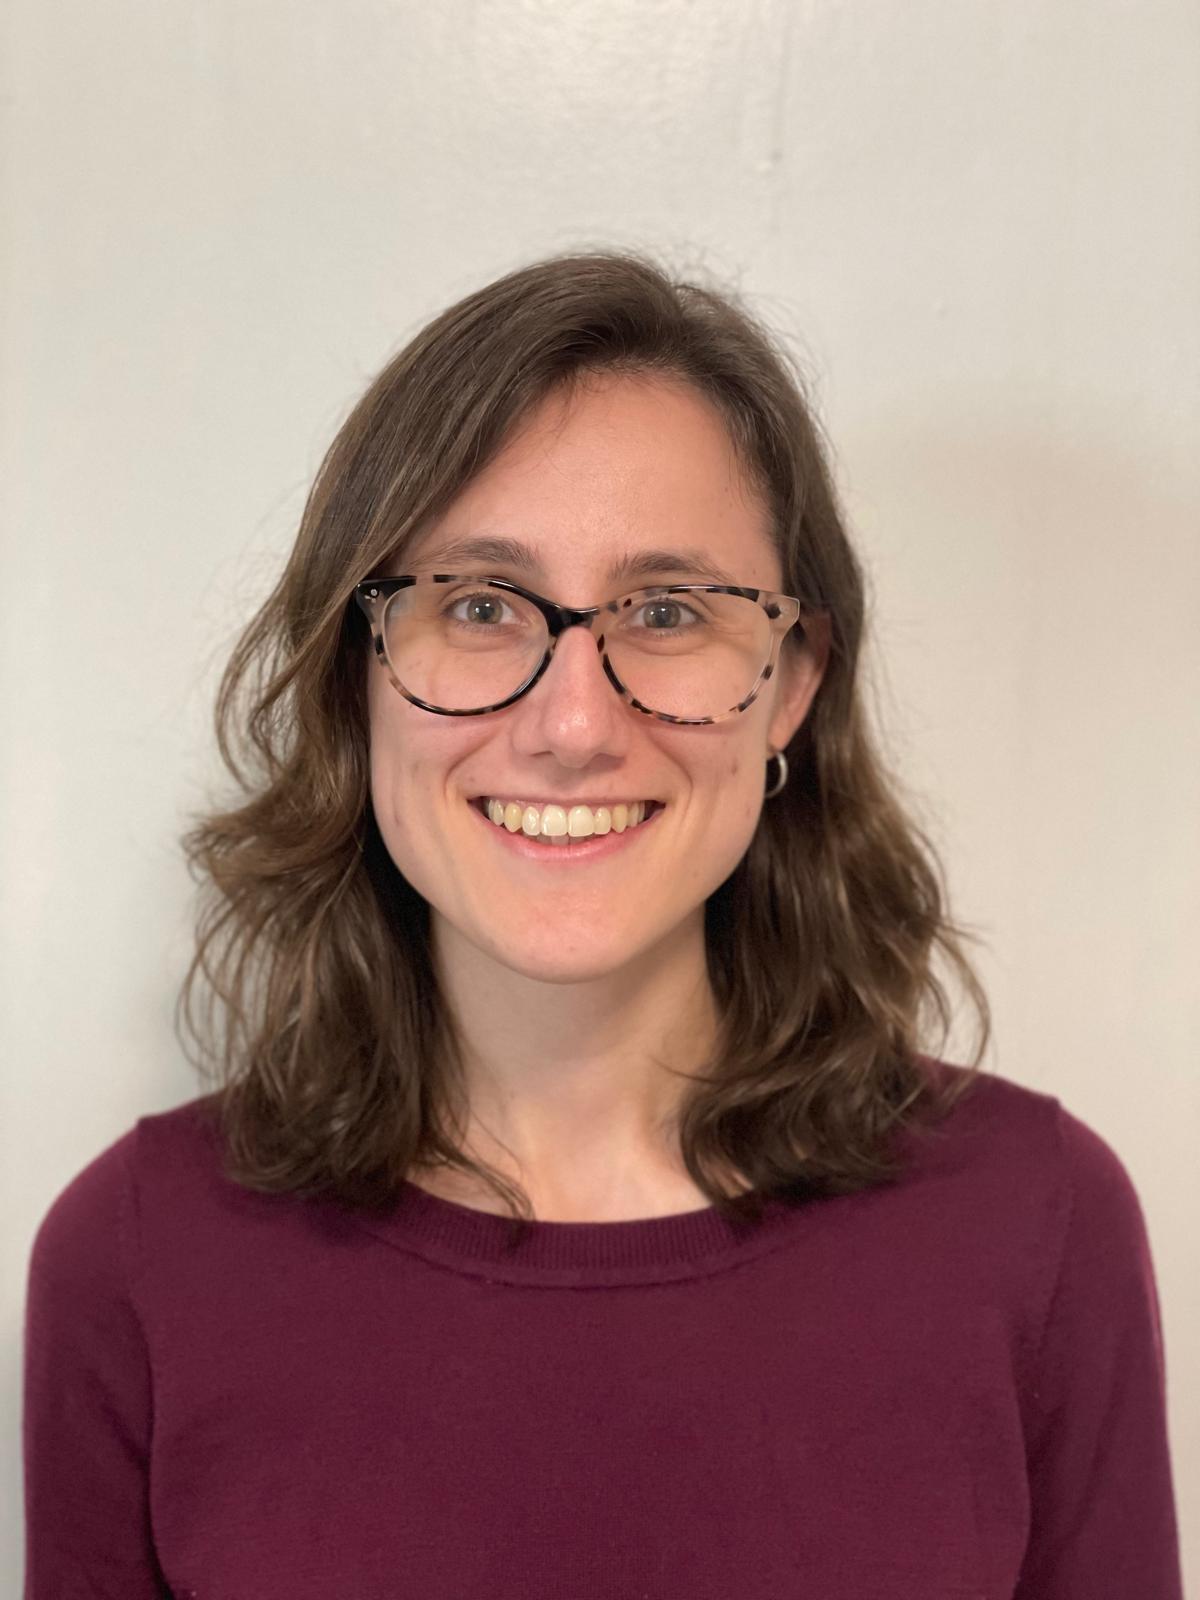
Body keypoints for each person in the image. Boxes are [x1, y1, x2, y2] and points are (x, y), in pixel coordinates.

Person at [22, 251, 1183, 1598]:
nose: (573, 725)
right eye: (476, 605)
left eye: (669, 611)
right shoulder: (140, 1258)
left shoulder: (1034, 1228)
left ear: (789, 681)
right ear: (357, 673)